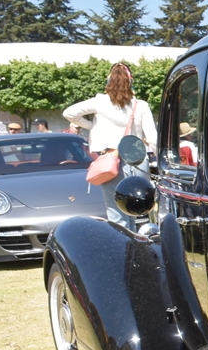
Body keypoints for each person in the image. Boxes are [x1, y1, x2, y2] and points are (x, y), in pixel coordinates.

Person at [62, 62, 157, 228]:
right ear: (130, 82)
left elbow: (69, 113)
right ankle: (141, 247)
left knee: (116, 213)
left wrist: (91, 126)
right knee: (140, 213)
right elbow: (153, 138)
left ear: (109, 82)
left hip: (111, 160)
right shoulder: (140, 105)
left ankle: (123, 250)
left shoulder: (100, 102)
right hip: (138, 161)